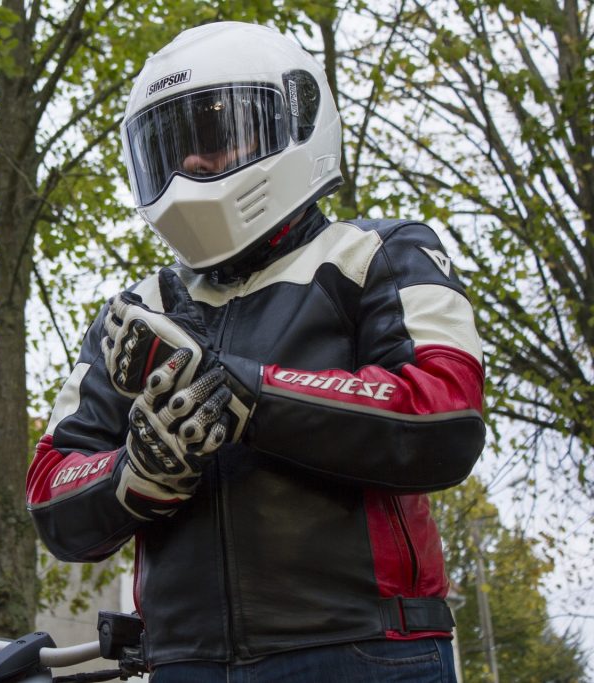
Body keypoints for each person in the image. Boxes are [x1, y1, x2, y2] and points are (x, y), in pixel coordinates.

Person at [26, 21, 484, 682]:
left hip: (365, 647)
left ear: (295, 115)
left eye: (218, 134)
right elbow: (49, 486)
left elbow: (446, 411)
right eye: (174, 147)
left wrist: (246, 392)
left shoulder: (378, 253)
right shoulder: (140, 308)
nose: (195, 165)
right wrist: (133, 474)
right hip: (186, 661)